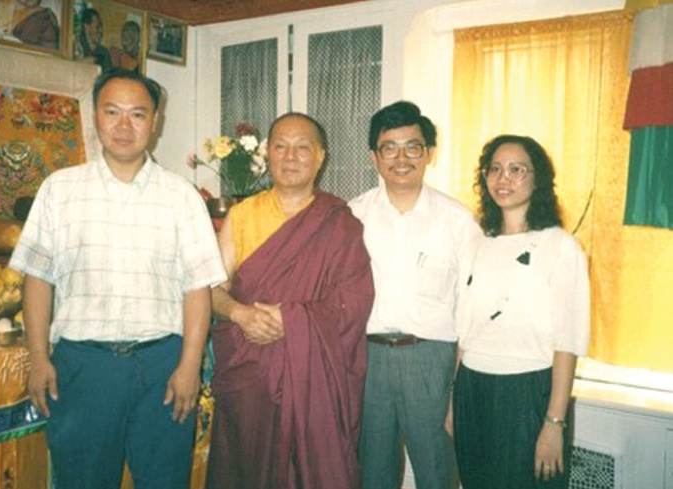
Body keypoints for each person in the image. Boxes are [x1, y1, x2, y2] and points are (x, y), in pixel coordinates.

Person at [9, 69, 227, 489]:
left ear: (155, 122)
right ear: (95, 116)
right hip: (82, 367)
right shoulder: (59, 189)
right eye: (113, 112)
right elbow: (38, 279)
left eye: (138, 115)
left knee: (164, 481)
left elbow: (196, 288)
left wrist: (189, 366)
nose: (124, 126)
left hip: (163, 366)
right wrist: (38, 357)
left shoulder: (181, 196)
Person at [206, 112, 375, 489]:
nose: (290, 156)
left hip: (314, 376)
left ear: (321, 156)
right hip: (251, 377)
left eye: (302, 148)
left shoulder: (340, 223)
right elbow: (212, 289)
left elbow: (354, 301)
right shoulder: (243, 214)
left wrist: (293, 321)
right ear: (267, 154)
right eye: (280, 147)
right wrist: (240, 313)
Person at [349, 101, 481, 489]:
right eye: (389, 147)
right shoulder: (353, 215)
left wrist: (458, 382)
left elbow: (471, 307)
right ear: (374, 155)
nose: (401, 157)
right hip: (368, 359)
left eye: (413, 146)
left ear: (429, 154)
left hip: (431, 360)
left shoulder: (457, 221)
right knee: (372, 472)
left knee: (437, 470)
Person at [450, 135, 590, 489]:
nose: (503, 178)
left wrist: (554, 423)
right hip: (472, 388)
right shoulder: (476, 245)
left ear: (537, 178)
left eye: (516, 169)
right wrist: (454, 401)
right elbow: (464, 334)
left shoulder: (560, 246)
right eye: (494, 169)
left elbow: (567, 342)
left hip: (528, 393)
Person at [77, 8, 112, 72]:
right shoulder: (75, 47)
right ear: (86, 26)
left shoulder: (104, 52)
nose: (101, 31)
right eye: (97, 27)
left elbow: (108, 76)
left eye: (101, 27)